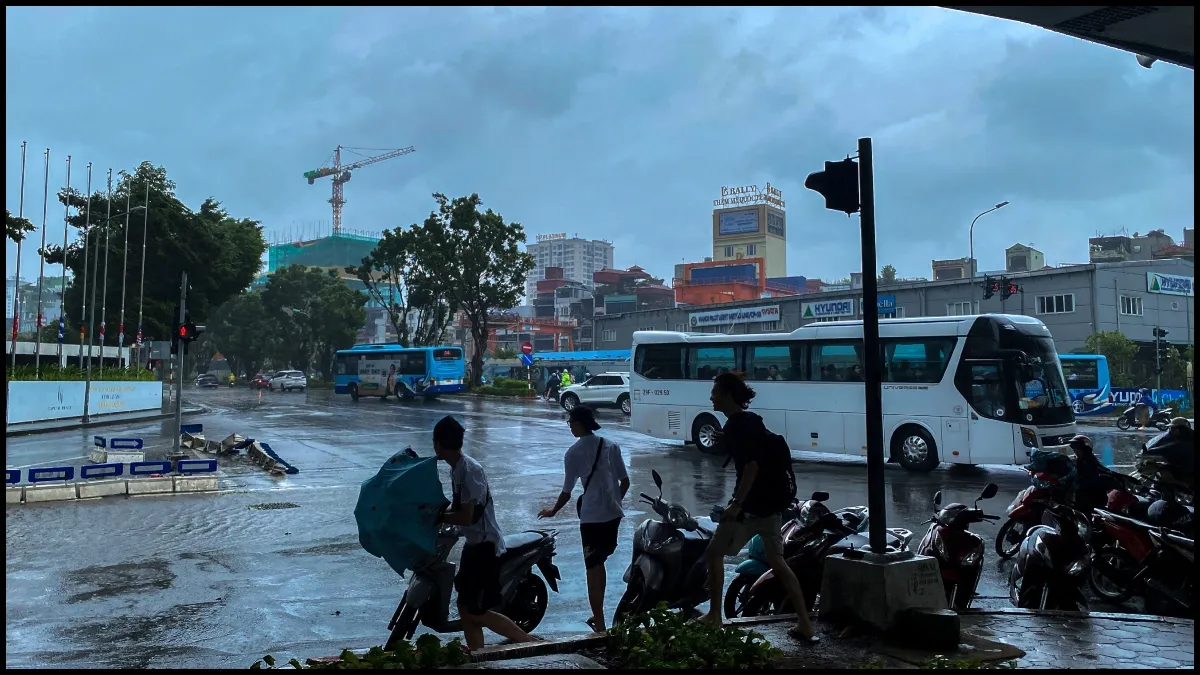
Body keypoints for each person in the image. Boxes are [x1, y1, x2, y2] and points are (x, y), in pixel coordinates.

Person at [698, 373, 817, 643]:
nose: (711, 397)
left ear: (727, 394)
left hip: (749, 510)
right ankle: (805, 623)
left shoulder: (737, 427)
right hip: (772, 510)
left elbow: (750, 467)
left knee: (714, 552)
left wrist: (736, 504)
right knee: (779, 564)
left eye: (715, 392)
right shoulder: (751, 423)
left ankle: (714, 615)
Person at [431, 416, 538, 651]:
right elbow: (458, 509)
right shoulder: (457, 469)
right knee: (464, 608)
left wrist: (436, 517)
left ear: (438, 443)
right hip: (473, 545)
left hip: (485, 548)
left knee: (476, 611)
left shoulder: (470, 470)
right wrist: (438, 512)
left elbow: (468, 515)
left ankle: (529, 644)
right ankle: (479, 656)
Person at [538, 405, 630, 634]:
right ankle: (598, 615)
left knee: (592, 566)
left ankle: (599, 624)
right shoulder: (611, 446)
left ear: (578, 424)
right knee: (600, 562)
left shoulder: (573, 453)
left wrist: (553, 510)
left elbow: (567, 491)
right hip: (613, 516)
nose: (569, 426)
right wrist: (614, 501)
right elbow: (625, 481)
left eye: (570, 422)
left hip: (591, 517)